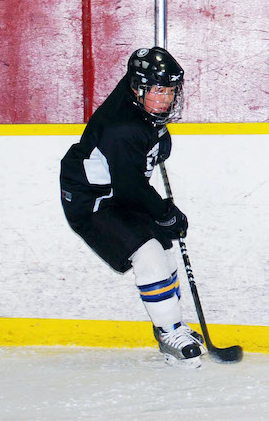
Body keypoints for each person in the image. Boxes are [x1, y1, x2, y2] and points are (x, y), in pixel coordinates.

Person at [59, 47, 203, 368]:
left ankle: (173, 323)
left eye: (171, 90)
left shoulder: (141, 108)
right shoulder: (122, 127)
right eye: (159, 90)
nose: (166, 99)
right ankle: (168, 332)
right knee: (148, 252)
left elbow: (140, 165)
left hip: (118, 191)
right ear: (138, 88)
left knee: (165, 248)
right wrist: (165, 212)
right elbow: (129, 185)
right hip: (92, 199)